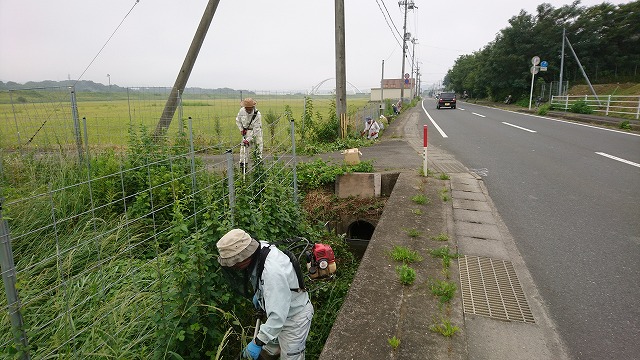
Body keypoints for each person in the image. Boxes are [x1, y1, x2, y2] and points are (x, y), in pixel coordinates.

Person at [216, 229, 314, 360]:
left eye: (235, 262)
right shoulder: (258, 249)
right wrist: (260, 295)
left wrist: (257, 342)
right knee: (268, 353)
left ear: (245, 256)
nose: (234, 266)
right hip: (279, 311)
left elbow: (278, 317)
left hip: (294, 318)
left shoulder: (272, 272)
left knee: (290, 357)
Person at [236, 98, 263, 170]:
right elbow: (238, 121)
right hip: (246, 132)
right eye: (246, 108)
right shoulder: (241, 111)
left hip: (256, 133)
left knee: (258, 150)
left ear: (253, 106)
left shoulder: (257, 114)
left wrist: (248, 140)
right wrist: (241, 129)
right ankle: (243, 170)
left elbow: (256, 129)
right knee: (243, 151)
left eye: (249, 108)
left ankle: (259, 169)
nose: (248, 110)